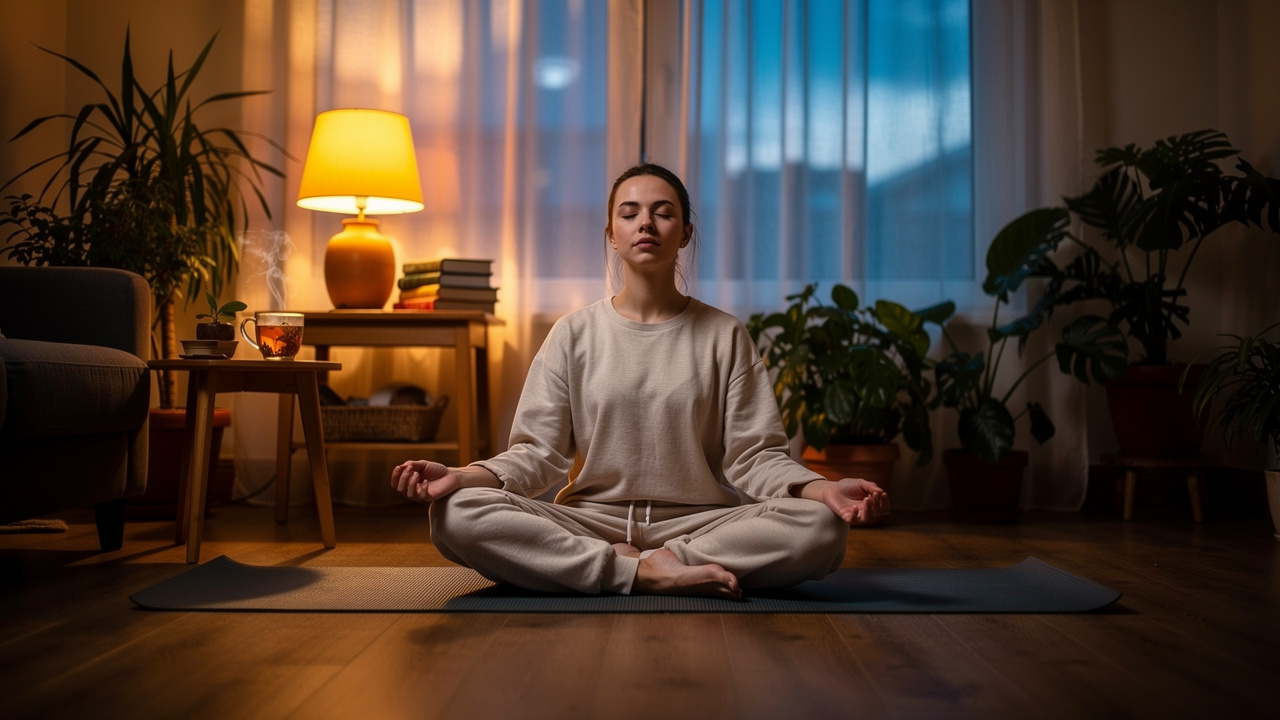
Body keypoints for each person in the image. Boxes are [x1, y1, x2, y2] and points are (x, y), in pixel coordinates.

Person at [391, 163, 888, 600]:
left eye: (663, 212)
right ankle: (643, 571)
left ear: (686, 232)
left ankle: (646, 566)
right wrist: (460, 477)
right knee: (456, 513)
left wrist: (821, 491)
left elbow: (753, 457)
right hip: (592, 522)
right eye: (629, 213)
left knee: (821, 528)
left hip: (700, 524)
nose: (645, 222)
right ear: (611, 232)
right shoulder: (572, 333)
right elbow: (535, 455)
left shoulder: (724, 335)